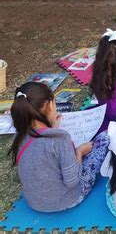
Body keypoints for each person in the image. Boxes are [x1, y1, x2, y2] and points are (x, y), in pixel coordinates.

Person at [8, 81, 109, 212]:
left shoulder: (18, 136)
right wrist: (79, 152)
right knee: (104, 138)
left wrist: (53, 127)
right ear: (50, 105)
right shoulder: (60, 139)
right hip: (68, 199)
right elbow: (72, 181)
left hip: (34, 202)